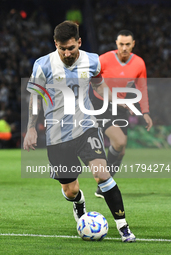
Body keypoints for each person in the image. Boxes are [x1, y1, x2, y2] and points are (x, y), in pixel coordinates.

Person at [23, 21, 136, 242]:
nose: (67, 53)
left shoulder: (92, 60)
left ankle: (124, 227)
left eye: (71, 48)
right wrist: (30, 129)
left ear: (79, 43)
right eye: (62, 48)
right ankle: (79, 203)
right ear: (55, 44)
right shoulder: (43, 65)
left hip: (87, 128)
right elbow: (35, 97)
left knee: (102, 174)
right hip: (57, 136)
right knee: (70, 190)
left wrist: (116, 100)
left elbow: (98, 85)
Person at [91, 30, 153, 198]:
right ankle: (105, 184)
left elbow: (142, 88)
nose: (124, 48)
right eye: (121, 44)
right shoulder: (103, 59)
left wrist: (145, 112)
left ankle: (103, 186)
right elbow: (91, 78)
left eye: (127, 44)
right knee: (119, 141)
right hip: (100, 104)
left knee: (121, 150)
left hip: (120, 107)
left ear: (133, 44)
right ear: (116, 44)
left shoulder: (139, 63)